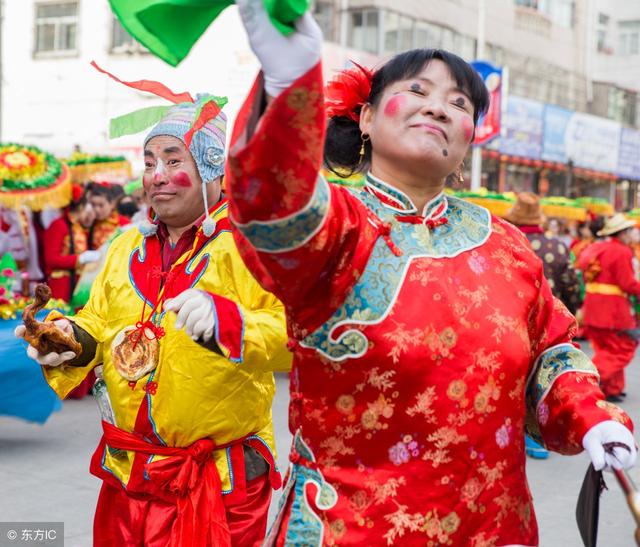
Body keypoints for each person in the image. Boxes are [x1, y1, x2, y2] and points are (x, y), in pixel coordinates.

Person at [224, 2, 637, 545]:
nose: (438, 108)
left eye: (458, 102)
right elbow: (272, 205)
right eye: (417, 91)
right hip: (350, 527)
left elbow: (551, 352)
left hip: (493, 526)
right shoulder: (339, 226)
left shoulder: (507, 244)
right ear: (366, 117)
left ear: (468, 139)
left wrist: (590, 414)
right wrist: (287, 86)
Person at [16, 86, 292, 546]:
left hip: (216, 485)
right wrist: (71, 338)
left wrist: (230, 323)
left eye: (173, 160)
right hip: (129, 479)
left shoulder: (253, 247)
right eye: (148, 163)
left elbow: (297, 337)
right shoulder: (126, 246)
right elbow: (100, 320)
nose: (156, 176)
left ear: (212, 167)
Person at [577, 213, 640, 403]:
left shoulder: (596, 247)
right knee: (622, 348)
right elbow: (628, 284)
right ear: (621, 233)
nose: (633, 233)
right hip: (613, 309)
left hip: (593, 307)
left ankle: (612, 388)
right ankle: (587, 380)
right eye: (630, 231)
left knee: (606, 346)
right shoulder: (622, 251)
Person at [506, 193, 581, 315]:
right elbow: (571, 286)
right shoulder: (558, 246)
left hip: (512, 317)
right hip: (549, 317)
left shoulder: (505, 241)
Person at [43, 184, 101, 302]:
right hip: (61, 286)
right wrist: (80, 259)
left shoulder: (78, 226)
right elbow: (50, 259)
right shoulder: (59, 225)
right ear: (80, 207)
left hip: (77, 283)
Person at [86, 182, 129, 249]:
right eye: (93, 205)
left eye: (101, 205)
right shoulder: (89, 224)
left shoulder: (124, 223)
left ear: (112, 204)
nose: (97, 209)